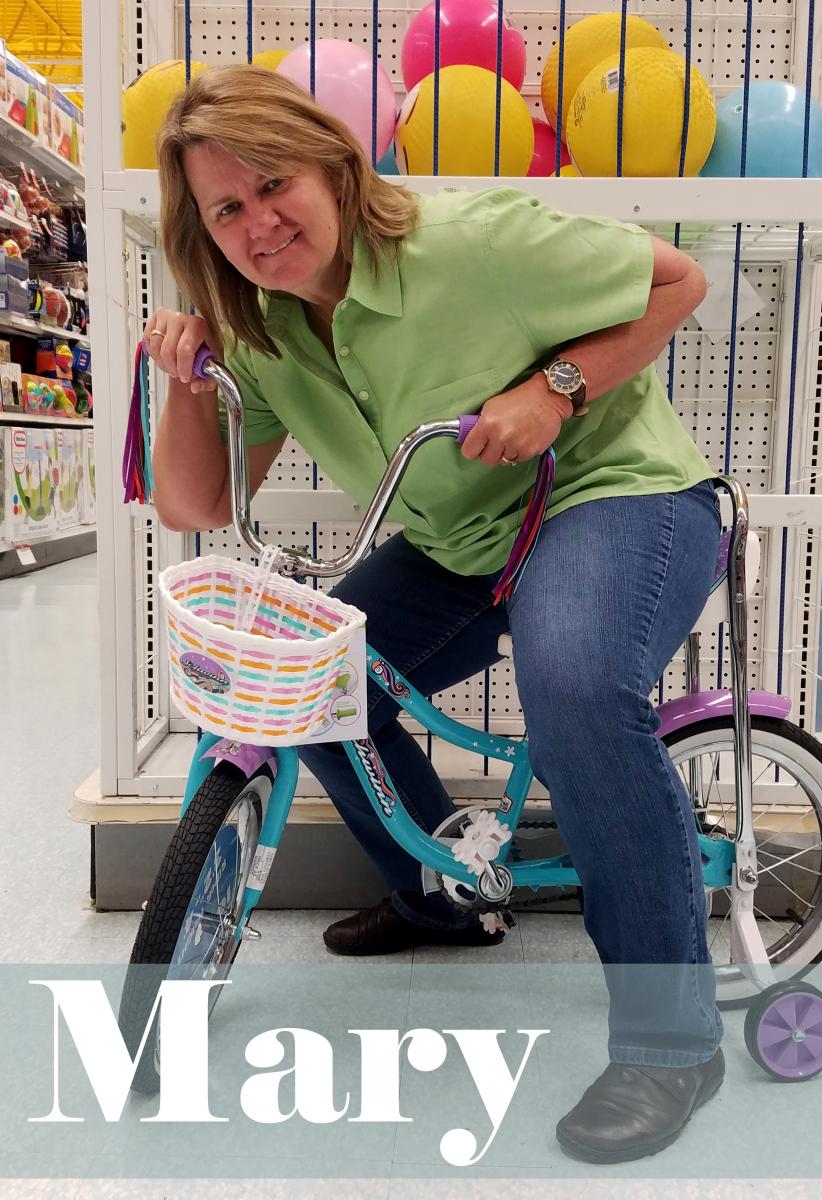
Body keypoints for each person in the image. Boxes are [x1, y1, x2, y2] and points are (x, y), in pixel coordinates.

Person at [146, 63, 725, 1163]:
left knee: (574, 689)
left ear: (333, 165)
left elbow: (679, 281)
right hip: (464, 543)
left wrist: (552, 392)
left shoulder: (474, 246)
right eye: (227, 208)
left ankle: (670, 1041)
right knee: (313, 679)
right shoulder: (264, 326)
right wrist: (183, 378)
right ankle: (438, 899)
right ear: (202, 233)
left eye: (275, 184)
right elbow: (194, 501)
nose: (260, 223)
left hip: (615, 497)